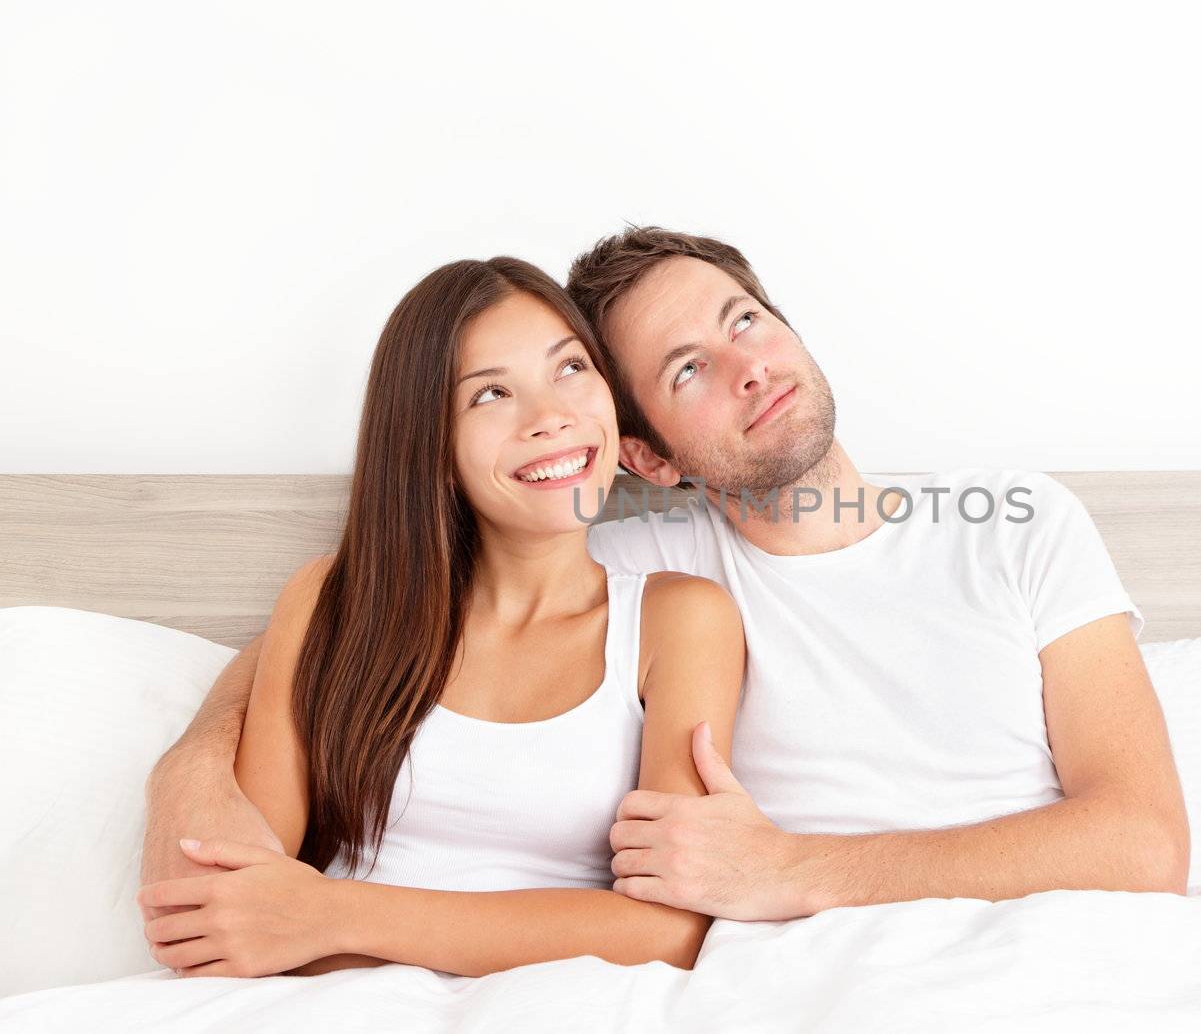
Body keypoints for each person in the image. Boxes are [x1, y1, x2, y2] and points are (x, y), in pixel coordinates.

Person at [143, 227, 1187, 943]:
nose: (747, 367)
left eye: (743, 320)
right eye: (685, 369)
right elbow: (381, 603)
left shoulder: (1014, 520)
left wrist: (791, 870)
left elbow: (1142, 839)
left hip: (1055, 944)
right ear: (643, 456)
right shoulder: (645, 567)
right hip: (798, 975)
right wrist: (189, 759)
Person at [136, 257, 745, 977]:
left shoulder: (678, 621)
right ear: (433, 445)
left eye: (571, 368)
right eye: (491, 393)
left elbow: (670, 929)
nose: (550, 415)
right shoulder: (332, 602)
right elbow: (230, 906)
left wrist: (333, 913)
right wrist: (180, 769)